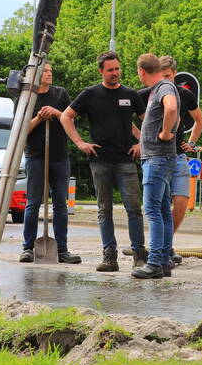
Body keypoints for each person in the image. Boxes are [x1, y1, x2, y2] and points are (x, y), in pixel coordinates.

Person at [60, 51, 147, 272]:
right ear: (101, 71)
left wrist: (141, 144)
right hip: (100, 160)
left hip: (127, 160)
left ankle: (139, 255)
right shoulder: (90, 94)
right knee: (104, 210)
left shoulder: (130, 94)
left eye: (117, 69)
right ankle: (110, 256)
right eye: (110, 70)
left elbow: (148, 121)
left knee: (134, 209)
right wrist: (80, 142)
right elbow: (66, 116)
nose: (115, 73)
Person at [137, 56, 202, 267]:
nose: (164, 79)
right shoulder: (148, 93)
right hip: (161, 154)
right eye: (161, 74)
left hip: (173, 155)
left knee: (173, 203)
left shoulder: (175, 92)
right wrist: (142, 138)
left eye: (167, 75)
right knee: (162, 207)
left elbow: (195, 118)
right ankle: (165, 250)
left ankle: (161, 252)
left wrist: (189, 142)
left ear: (174, 74)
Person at [19, 62, 81, 264]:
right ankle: (27, 248)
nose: (49, 74)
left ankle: (62, 249)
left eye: (50, 71)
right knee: (33, 203)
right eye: (45, 71)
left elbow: (71, 120)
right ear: (36, 75)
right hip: (36, 156)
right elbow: (21, 131)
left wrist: (56, 113)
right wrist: (38, 117)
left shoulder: (60, 94)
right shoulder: (27, 97)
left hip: (59, 156)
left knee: (61, 204)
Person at [132, 53, 179, 279]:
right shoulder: (161, 89)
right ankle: (163, 261)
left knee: (152, 210)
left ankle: (154, 263)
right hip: (161, 158)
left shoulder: (163, 89)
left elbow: (170, 109)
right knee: (162, 211)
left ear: (142, 71)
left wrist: (166, 132)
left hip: (157, 158)